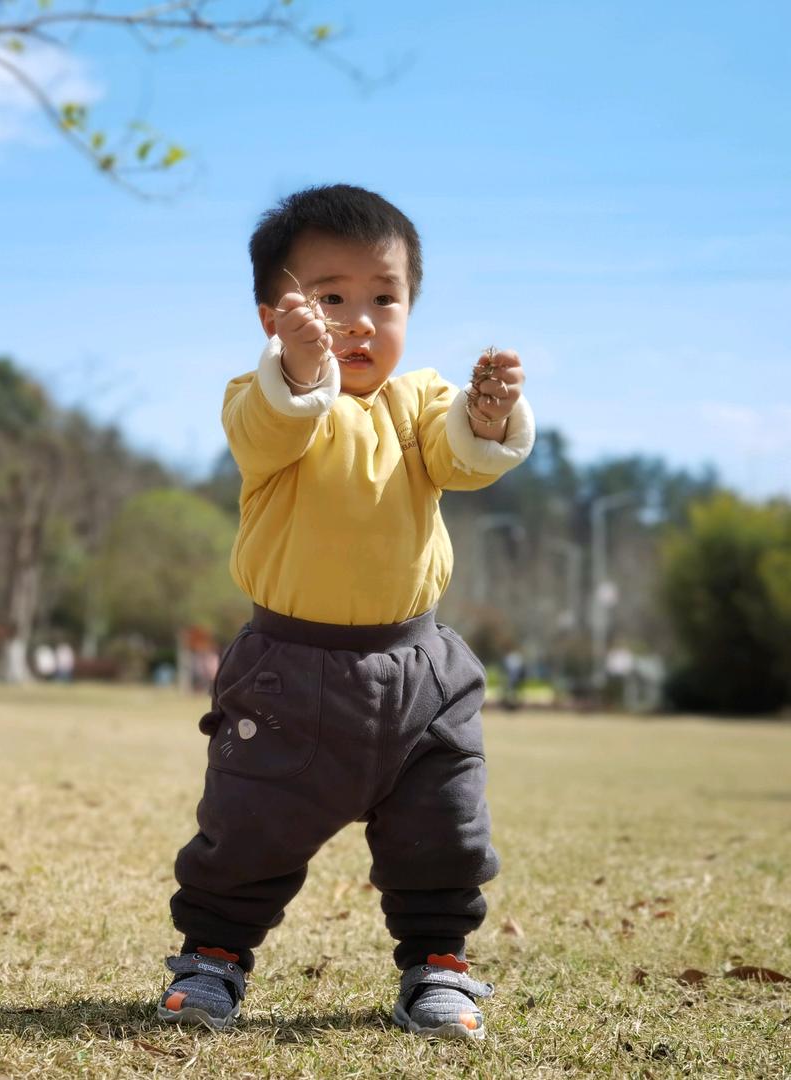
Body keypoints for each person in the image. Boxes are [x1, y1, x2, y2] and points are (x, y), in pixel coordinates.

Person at [157, 185, 535, 1040]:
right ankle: (212, 956)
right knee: (248, 826)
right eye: (330, 299)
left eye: (384, 298)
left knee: (444, 827)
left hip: (421, 673)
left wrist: (487, 417)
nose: (361, 322)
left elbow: (462, 457)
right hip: (287, 671)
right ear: (274, 318)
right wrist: (298, 369)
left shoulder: (421, 402)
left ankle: (438, 963)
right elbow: (272, 422)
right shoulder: (269, 405)